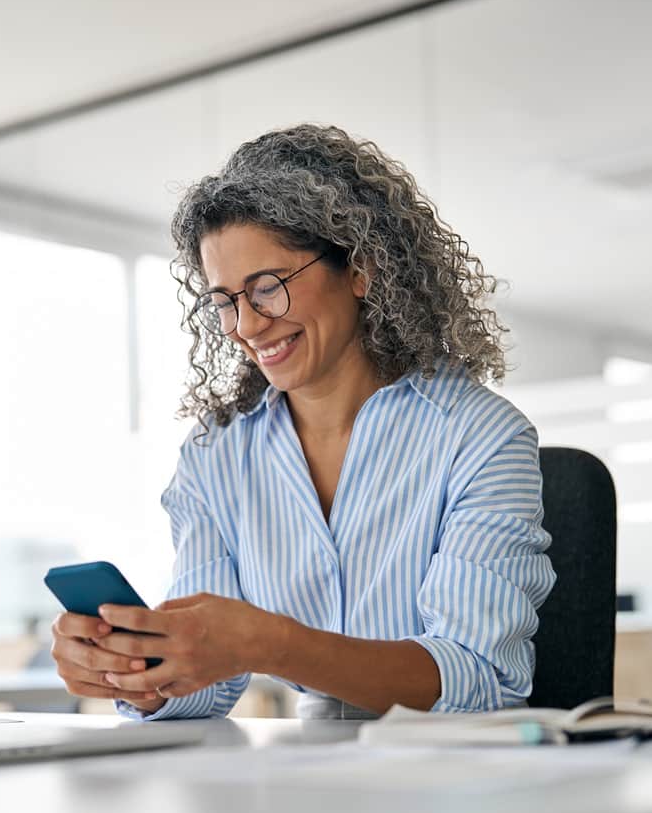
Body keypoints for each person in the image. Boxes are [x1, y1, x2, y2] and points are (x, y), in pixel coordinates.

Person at [50, 124, 555, 719]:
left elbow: (478, 677)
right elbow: (207, 683)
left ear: (363, 269)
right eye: (224, 302)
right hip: (304, 777)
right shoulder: (217, 454)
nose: (247, 325)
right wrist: (141, 671)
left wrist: (270, 642)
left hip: (451, 779)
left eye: (267, 287)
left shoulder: (480, 437)